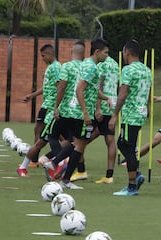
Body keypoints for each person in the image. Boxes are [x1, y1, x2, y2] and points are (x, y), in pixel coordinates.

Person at [44, 38, 110, 189]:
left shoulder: (86, 63)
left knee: (77, 144)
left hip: (72, 111)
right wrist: (86, 113)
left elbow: (90, 89)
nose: (107, 56)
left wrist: (106, 98)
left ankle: (57, 168)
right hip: (80, 113)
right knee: (80, 146)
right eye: (106, 53)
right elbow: (79, 89)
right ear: (97, 52)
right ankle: (60, 172)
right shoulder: (91, 67)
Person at [108, 39, 152, 196]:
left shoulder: (128, 70)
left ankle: (132, 184)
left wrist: (114, 115)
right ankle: (135, 175)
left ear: (127, 52)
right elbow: (149, 92)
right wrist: (148, 109)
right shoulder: (147, 70)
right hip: (141, 112)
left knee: (126, 145)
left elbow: (123, 92)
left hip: (131, 114)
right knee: (126, 144)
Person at [70, 55, 119, 184]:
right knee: (110, 139)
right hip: (112, 102)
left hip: (100, 105)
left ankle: (80, 170)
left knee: (79, 139)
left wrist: (97, 108)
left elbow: (98, 86)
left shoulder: (99, 64)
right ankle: (109, 176)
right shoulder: (115, 64)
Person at [44, 41, 86, 181]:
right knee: (76, 142)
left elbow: (61, 86)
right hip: (79, 112)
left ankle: (58, 163)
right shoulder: (88, 67)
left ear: (71, 52)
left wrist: (56, 106)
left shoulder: (67, 66)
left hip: (66, 110)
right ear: (83, 54)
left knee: (53, 135)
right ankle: (66, 169)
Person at [17, 44, 61, 176]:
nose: (42, 58)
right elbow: (48, 87)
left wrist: (57, 106)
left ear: (50, 54)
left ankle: (51, 161)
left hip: (51, 108)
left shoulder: (56, 68)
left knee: (46, 137)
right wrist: (32, 95)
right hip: (48, 108)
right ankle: (51, 162)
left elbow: (60, 86)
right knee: (42, 135)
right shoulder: (51, 68)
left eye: (43, 56)